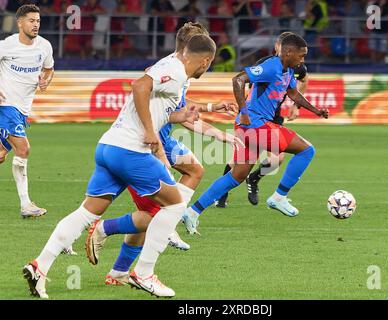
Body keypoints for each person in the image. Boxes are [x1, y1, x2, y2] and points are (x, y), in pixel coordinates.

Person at [23, 34, 217, 299]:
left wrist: (179, 116)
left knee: (85, 213)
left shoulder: (169, 67)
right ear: (206, 60)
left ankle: (39, 267)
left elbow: (151, 101)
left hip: (109, 147)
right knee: (173, 203)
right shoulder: (175, 70)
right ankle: (144, 273)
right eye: (210, 64)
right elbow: (138, 87)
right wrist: (150, 132)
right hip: (130, 150)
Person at [100, 22, 243, 286]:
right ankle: (105, 232)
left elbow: (180, 110)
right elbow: (175, 114)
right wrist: (218, 133)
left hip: (157, 137)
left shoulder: (177, 69)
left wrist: (213, 108)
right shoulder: (172, 70)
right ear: (189, 48)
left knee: (190, 175)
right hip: (150, 141)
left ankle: (122, 263)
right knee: (154, 209)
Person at [182, 34, 328, 236]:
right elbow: (238, 79)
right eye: (301, 56)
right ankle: (279, 196)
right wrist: (243, 111)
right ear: (288, 52)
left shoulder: (288, 70)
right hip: (255, 125)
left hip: (250, 127)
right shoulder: (271, 66)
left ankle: (193, 211)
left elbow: (293, 94)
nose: (303, 60)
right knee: (306, 150)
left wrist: (315, 110)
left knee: (237, 175)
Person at [215, 31, 309, 208]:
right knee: (236, 160)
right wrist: (245, 111)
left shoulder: (297, 66)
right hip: (256, 117)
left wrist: (296, 106)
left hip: (275, 116)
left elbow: (304, 79)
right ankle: (222, 194)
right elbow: (247, 86)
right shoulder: (265, 64)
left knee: (277, 160)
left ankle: (254, 178)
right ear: (278, 48)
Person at [0, 4, 53, 218]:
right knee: (23, 149)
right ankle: (26, 205)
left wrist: (45, 80)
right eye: (31, 21)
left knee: (2, 153)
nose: (36, 25)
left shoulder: (45, 46)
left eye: (38, 21)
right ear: (19, 23)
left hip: (23, 108)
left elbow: (49, 69)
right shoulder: (6, 46)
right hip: (6, 105)